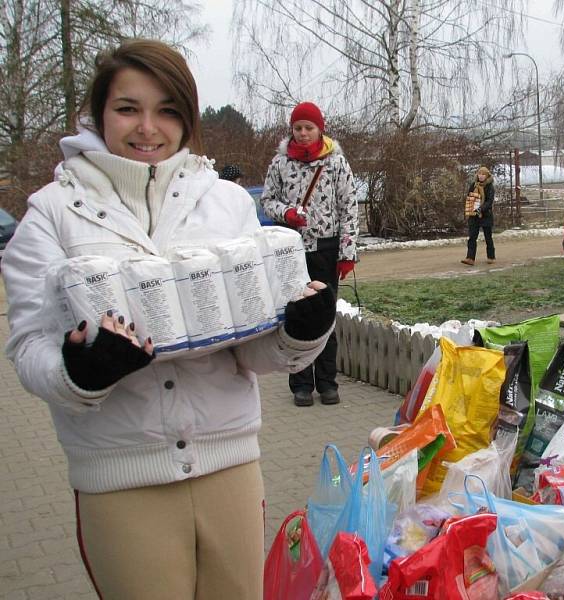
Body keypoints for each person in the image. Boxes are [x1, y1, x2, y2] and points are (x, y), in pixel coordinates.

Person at [2, 40, 335, 599]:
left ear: (187, 118)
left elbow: (250, 348)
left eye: (167, 110)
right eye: (128, 108)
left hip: (229, 465)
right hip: (121, 480)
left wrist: (301, 332)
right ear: (99, 113)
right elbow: (28, 346)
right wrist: (78, 372)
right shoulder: (53, 215)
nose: (147, 128)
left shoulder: (226, 204)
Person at [261, 101, 357, 407]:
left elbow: (349, 208)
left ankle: (328, 382)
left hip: (327, 249)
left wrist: (347, 252)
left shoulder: (336, 163)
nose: (302, 134)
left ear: (320, 129)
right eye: (298, 128)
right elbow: (266, 201)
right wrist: (287, 213)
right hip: (291, 250)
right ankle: (301, 384)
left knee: (325, 314)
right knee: (297, 316)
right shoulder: (280, 163)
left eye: (308, 128)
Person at [461, 165, 495, 266]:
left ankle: (491, 257)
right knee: (472, 237)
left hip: (486, 215)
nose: (481, 176)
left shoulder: (490, 187)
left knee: (488, 237)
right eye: (479, 173)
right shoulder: (473, 185)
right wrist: (470, 208)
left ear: (487, 175)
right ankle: (470, 258)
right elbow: (469, 197)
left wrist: (481, 209)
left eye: (483, 174)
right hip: (474, 215)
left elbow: (489, 201)